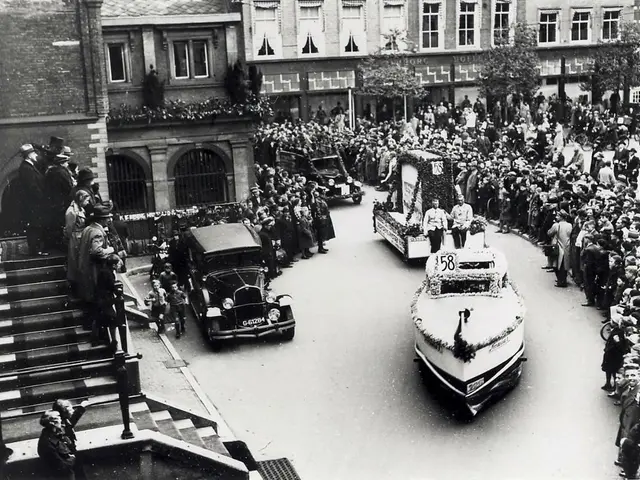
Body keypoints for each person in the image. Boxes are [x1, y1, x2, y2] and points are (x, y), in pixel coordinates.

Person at [76, 204, 115, 326]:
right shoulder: (98, 233)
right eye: (107, 218)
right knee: (96, 299)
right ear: (102, 219)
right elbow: (96, 251)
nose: (109, 220)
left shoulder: (88, 228)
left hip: (84, 267)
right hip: (94, 270)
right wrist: (110, 250)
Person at [18, 144, 47, 256]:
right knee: (34, 226)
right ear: (29, 155)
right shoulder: (26, 168)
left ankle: (36, 249)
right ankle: (35, 251)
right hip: (33, 204)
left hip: (35, 203)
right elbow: (32, 187)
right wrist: (42, 198)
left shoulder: (30, 166)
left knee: (36, 225)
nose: (36, 155)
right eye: (33, 153)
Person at [45, 153, 75, 249]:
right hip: (62, 201)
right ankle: (62, 244)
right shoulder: (62, 172)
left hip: (53, 201)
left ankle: (54, 243)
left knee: (55, 223)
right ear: (62, 163)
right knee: (62, 223)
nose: (67, 165)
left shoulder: (50, 171)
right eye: (66, 162)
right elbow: (68, 187)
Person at [64, 190, 91, 294]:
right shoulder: (71, 211)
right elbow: (69, 229)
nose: (88, 202)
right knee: (75, 263)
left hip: (81, 238)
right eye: (87, 200)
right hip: (75, 239)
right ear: (81, 199)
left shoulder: (80, 209)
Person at [37, 410, 76, 479]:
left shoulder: (57, 433)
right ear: (52, 423)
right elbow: (60, 466)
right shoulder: (46, 444)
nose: (61, 420)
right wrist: (72, 459)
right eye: (58, 417)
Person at [93, 253, 121, 348]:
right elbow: (111, 286)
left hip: (101, 298)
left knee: (100, 319)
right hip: (104, 299)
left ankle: (97, 339)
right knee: (112, 319)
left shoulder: (105, 271)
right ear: (113, 265)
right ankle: (113, 341)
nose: (119, 265)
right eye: (117, 264)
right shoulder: (108, 273)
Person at [547, 210, 572, 288]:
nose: (556, 217)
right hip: (567, 246)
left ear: (561, 217)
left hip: (558, 247)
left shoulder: (556, 225)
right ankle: (563, 280)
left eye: (558, 215)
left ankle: (560, 281)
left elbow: (549, 233)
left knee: (556, 264)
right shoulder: (569, 225)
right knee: (564, 265)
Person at [311, 188, 335, 254]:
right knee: (320, 234)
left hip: (323, 218)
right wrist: (322, 218)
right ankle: (320, 248)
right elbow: (318, 211)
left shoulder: (321, 200)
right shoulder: (318, 201)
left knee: (322, 234)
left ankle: (321, 247)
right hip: (320, 220)